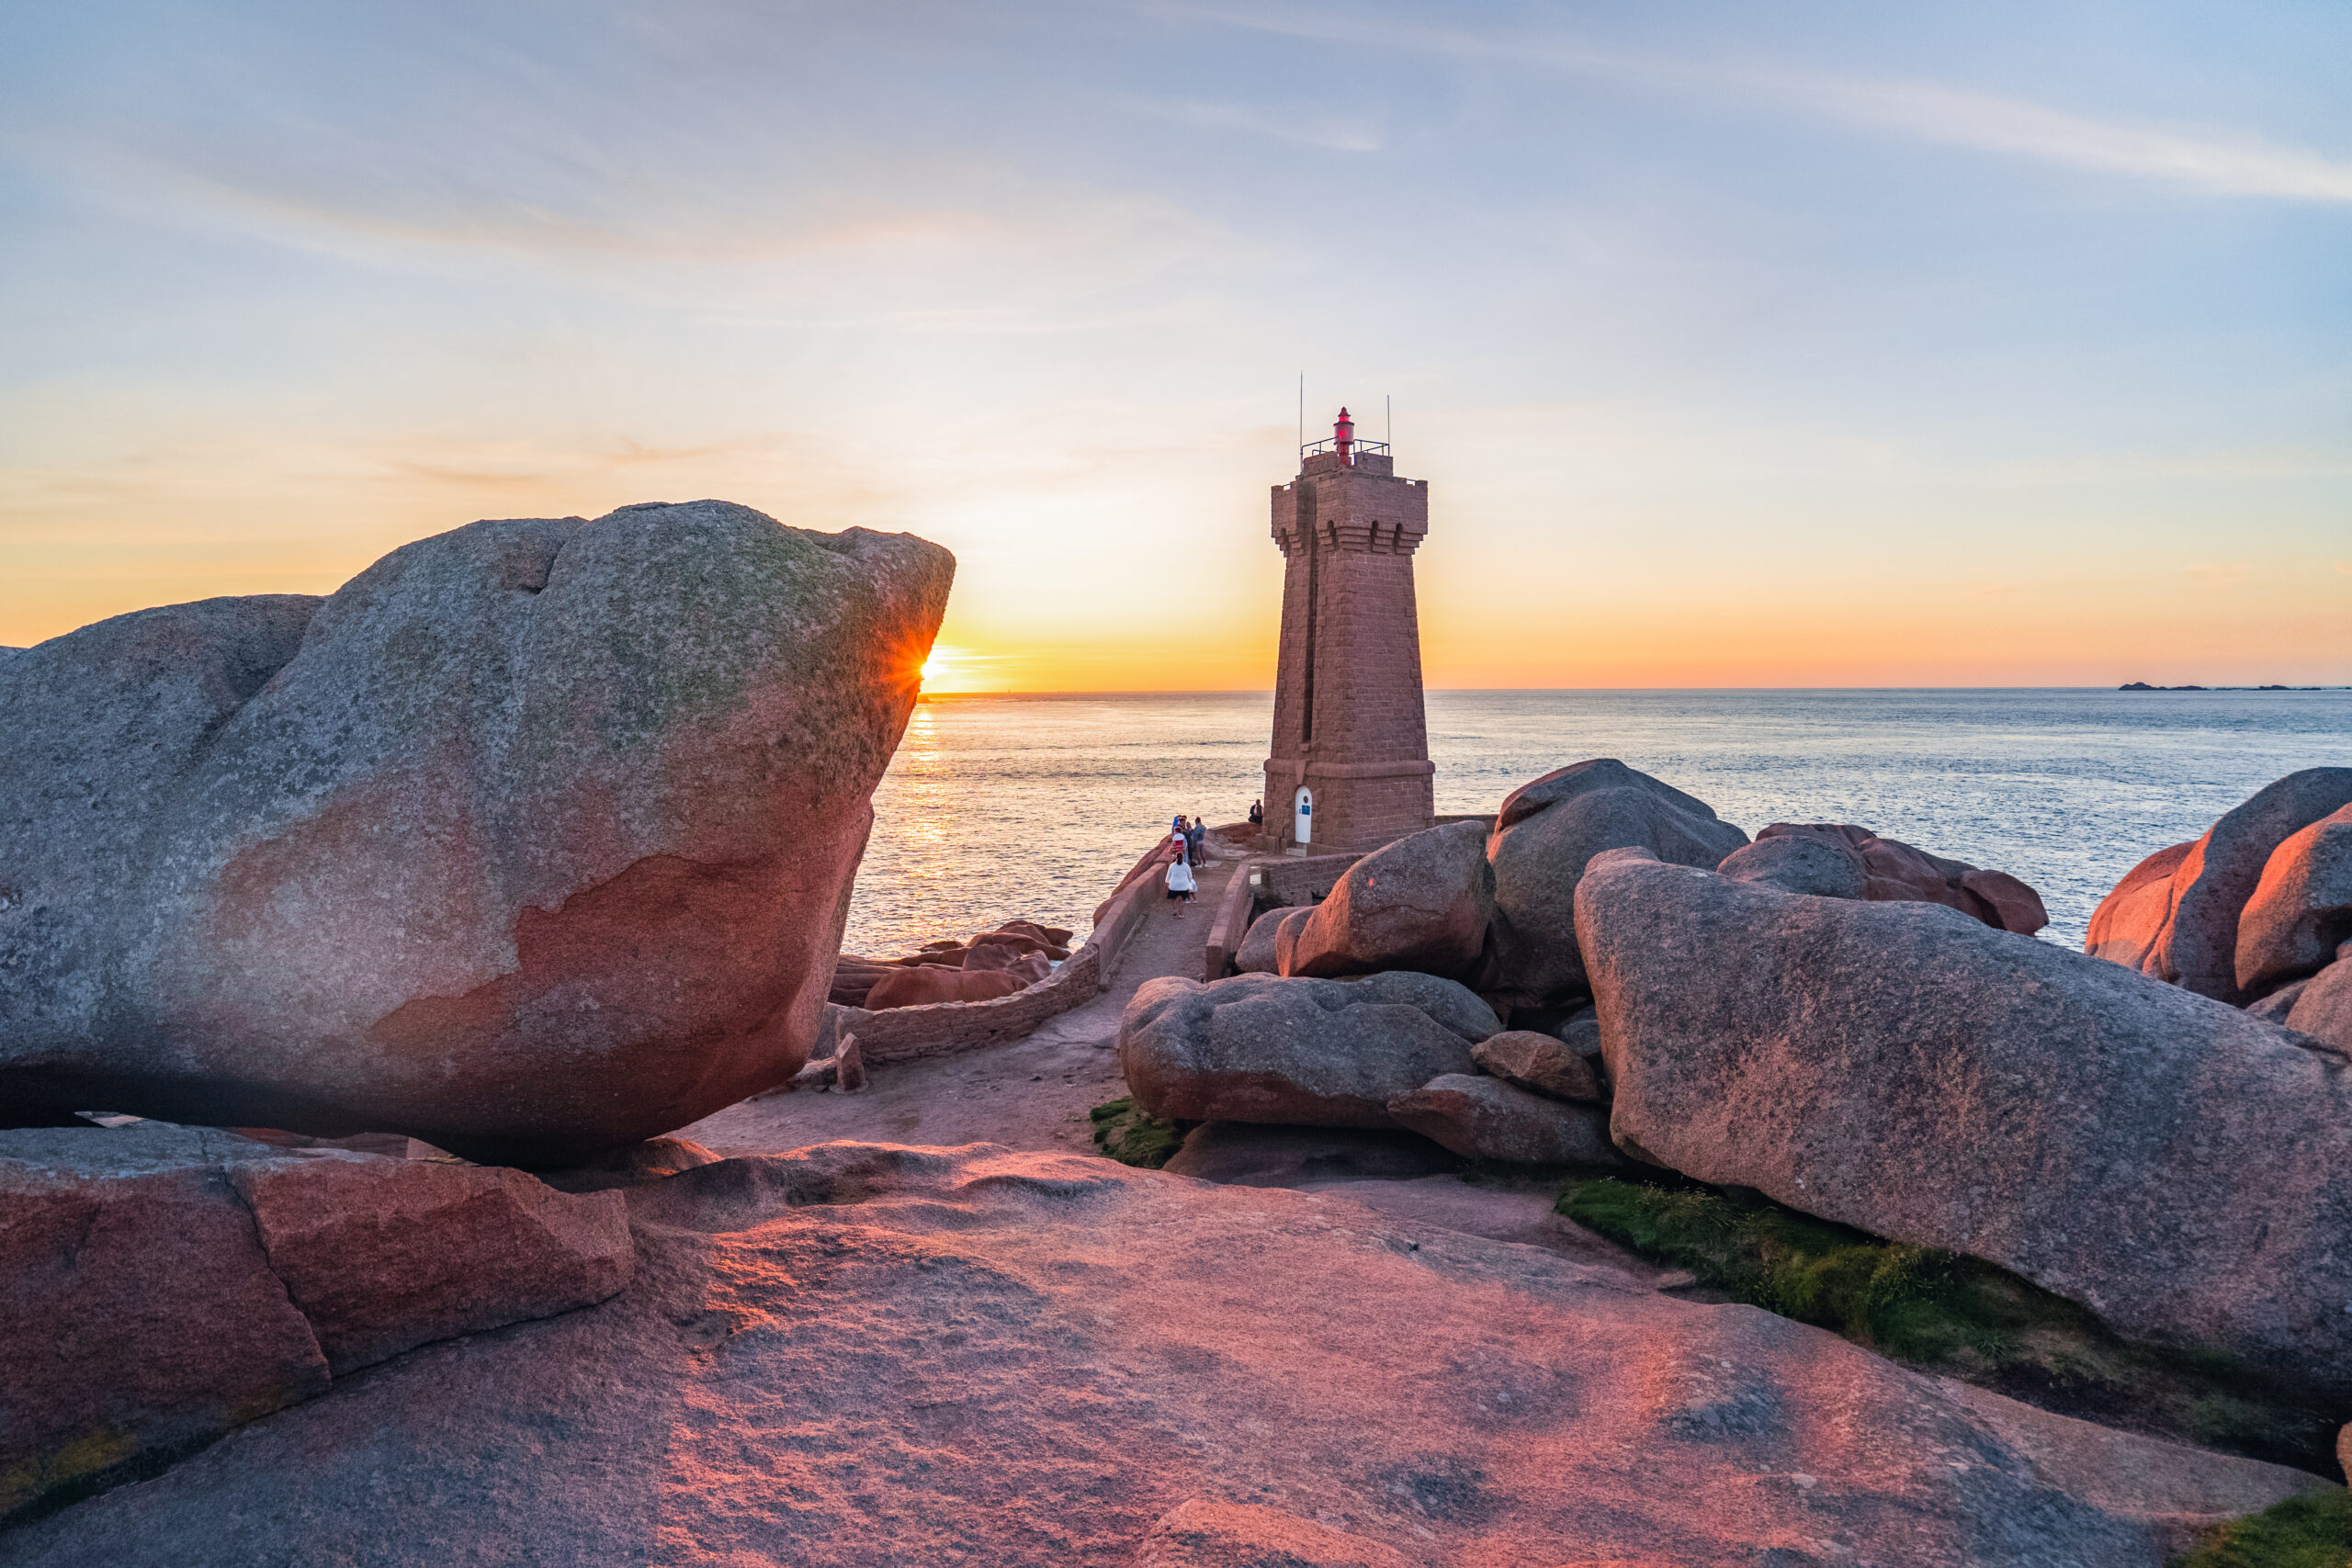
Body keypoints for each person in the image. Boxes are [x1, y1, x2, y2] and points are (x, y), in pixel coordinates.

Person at [1165, 850, 1196, 914]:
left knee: (1173, 899)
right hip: (1183, 886)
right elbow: (1190, 876)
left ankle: (1175, 910)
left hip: (1173, 886)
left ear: (1176, 857)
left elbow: (1168, 875)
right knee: (1181, 901)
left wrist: (1166, 882)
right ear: (1182, 858)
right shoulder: (1186, 866)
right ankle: (1180, 915)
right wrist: (1190, 881)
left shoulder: (1172, 865)